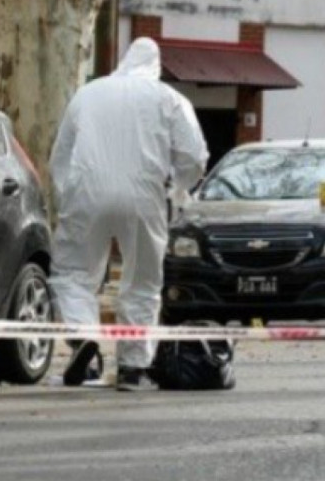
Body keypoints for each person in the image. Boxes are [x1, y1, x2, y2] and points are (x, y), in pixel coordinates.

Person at [49, 37, 208, 391]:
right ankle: (132, 368)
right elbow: (195, 156)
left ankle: (82, 336)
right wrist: (177, 190)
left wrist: (67, 200)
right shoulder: (168, 98)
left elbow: (60, 156)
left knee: (73, 271)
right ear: (155, 64)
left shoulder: (88, 93)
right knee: (142, 282)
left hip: (86, 192)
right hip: (143, 195)